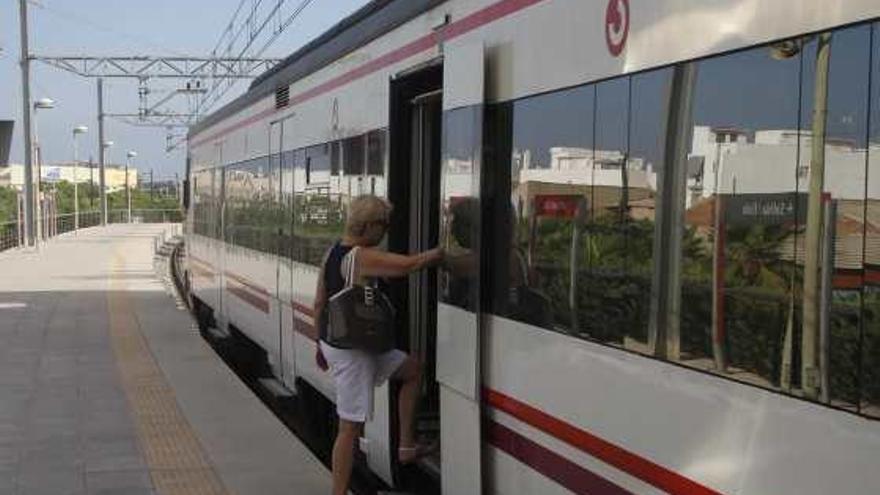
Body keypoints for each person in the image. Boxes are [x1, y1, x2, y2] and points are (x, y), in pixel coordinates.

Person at [313, 195, 443, 495]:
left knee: (412, 369)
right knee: (349, 428)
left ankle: (407, 445)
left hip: (344, 344)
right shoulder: (361, 256)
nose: (385, 231)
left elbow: (320, 302)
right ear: (369, 225)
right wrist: (440, 253)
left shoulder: (331, 252)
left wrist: (319, 345)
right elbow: (408, 266)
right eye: (383, 224)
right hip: (354, 352)